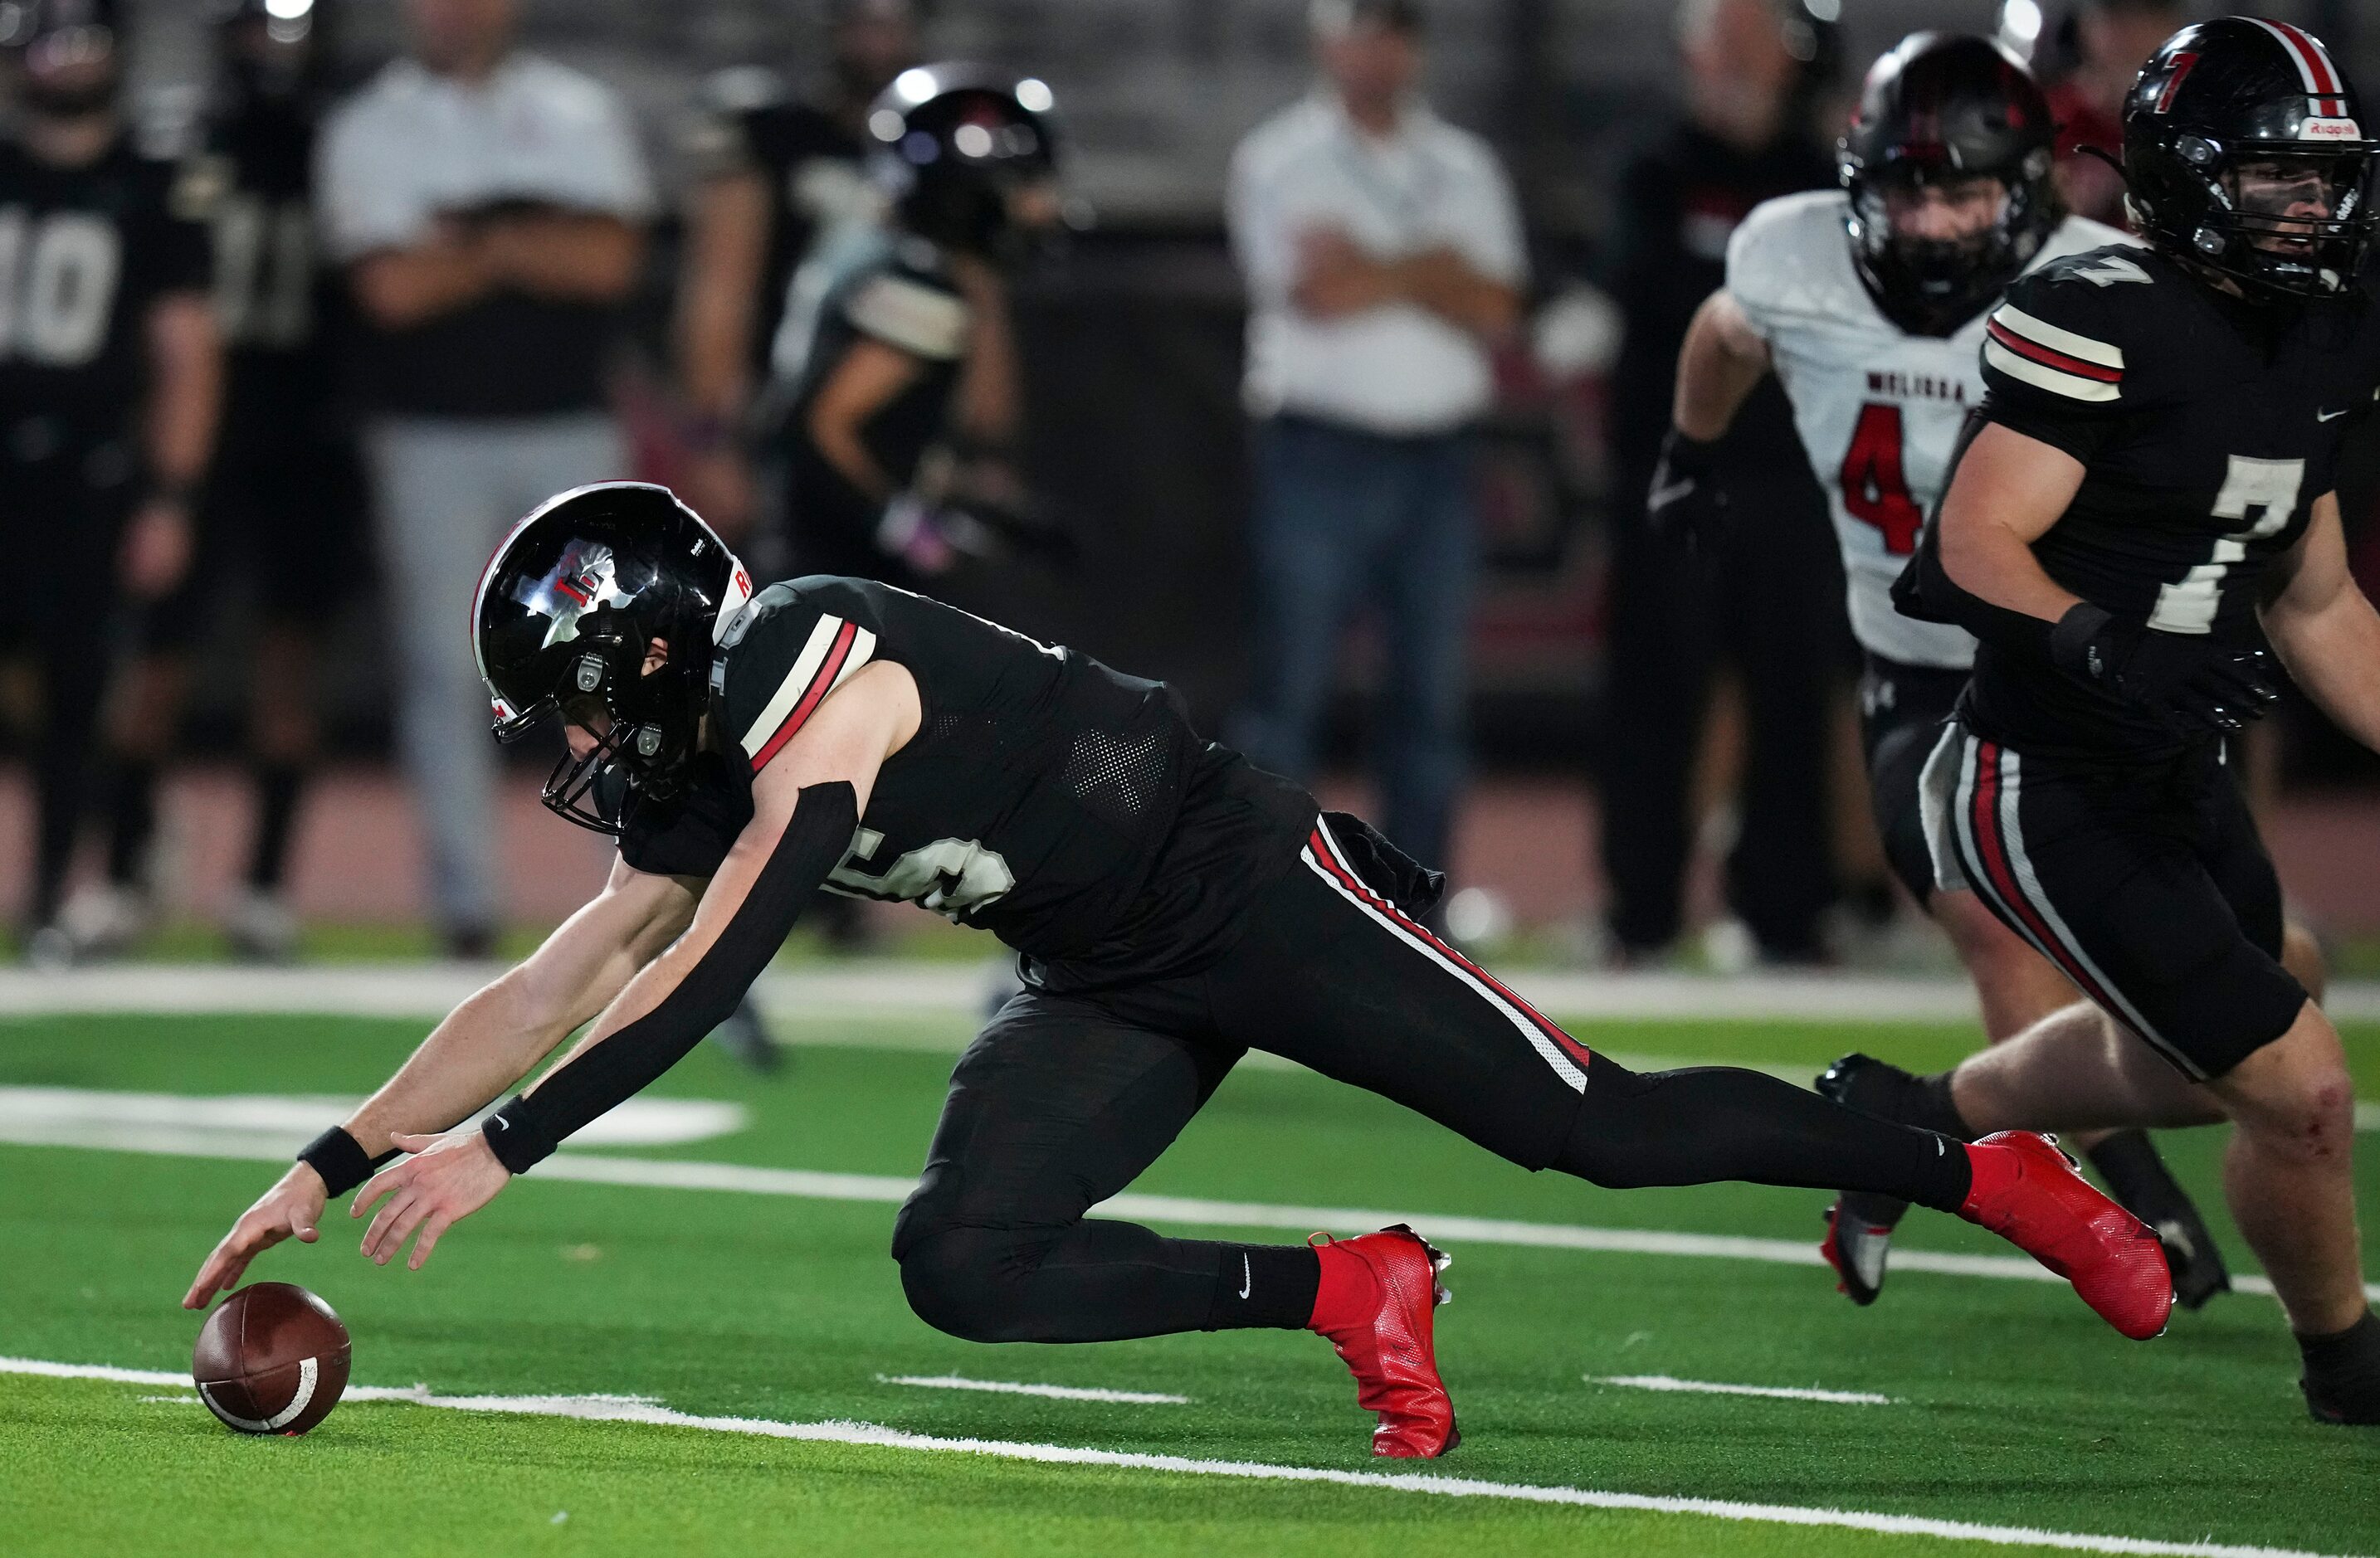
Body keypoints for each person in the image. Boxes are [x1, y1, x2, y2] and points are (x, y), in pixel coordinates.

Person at [184, 480, 2176, 1460]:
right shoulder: (698, 749)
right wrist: (338, 1155)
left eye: (580, 703)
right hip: (1097, 962)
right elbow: (547, 979)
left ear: (651, 653)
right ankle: (1342, 1286)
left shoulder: (799, 651)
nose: (583, 751)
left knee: (1595, 1130)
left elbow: (717, 958)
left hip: (1242, 883)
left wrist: (508, 1154)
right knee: (962, 1265)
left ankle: (1968, 1162)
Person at [1655, 34, 2227, 1308]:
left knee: (2225, 983)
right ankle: (2141, 1204)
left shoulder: (2109, 284)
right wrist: (1691, 448)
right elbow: (1723, 329)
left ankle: (1902, 1141)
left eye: (1962, 190)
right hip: (1923, 677)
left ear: (2026, 186)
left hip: (2086, 671)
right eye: (1906, 190)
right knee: (1990, 917)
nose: (1930, 220)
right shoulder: (1792, 252)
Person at [1885, 17, 2380, 1423]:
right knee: (2295, 1090)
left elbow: (2316, 595)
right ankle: (2345, 1359)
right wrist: (2100, 643)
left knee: (2224, 1021)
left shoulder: (2322, 332)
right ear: (2182, 177)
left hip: (2174, 757)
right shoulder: (2104, 308)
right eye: (2278, 175)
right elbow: (1969, 544)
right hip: (2038, 770)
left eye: (2326, 178)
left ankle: (1924, 1114)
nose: (2313, 207)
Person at [317, 0, 653, 957]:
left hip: (569, 426)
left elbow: (612, 260)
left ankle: (630, 895)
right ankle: (464, 907)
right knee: (442, 666)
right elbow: (391, 290)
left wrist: (461, 242)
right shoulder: (370, 124)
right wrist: (527, 237)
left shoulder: (578, 111)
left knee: (612, 662)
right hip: (429, 433)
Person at [59, 0, 363, 963]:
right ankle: (119, 870)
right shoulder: (179, 144)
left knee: (287, 666)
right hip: (204, 435)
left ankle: (265, 886)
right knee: (150, 667)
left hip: (305, 432)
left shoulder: (346, 142)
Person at [1223, 0, 1524, 880]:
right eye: (1360, 27)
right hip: (1319, 450)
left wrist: (1373, 267)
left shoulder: (1464, 163)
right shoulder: (1279, 158)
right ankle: (1259, 889)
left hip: (1439, 455)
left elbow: (1501, 307)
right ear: (1327, 38)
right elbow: (1312, 291)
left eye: (1392, 29)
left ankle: (1413, 903)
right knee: (1289, 692)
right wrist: (1436, 268)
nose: (1376, 49)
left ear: (1414, 46)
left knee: (1430, 700)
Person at [1600, 0, 1841, 965]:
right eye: (1722, 39)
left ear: (1789, 59)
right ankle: (1640, 912)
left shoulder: (1822, 179)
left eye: (1755, 39)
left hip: (1792, 475)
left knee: (1793, 691)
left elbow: (1837, 310)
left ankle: (1786, 913)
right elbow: (1639, 288)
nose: (1737, 60)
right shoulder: (1652, 168)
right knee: (1656, 692)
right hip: (1675, 473)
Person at [0, 0, 221, 962]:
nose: (63, 61)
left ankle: (51, 891)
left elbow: (186, 351)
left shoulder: (154, 180)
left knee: (76, 693)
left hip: (89, 468)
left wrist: (170, 494)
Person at [779, 65, 1065, 591]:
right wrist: (901, 524)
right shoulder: (918, 287)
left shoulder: (883, 258)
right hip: (839, 572)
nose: (1043, 207)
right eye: (1026, 185)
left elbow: (893, 433)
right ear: (970, 187)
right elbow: (822, 426)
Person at [674, 0, 919, 564]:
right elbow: (720, 288)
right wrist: (711, 440)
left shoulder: (935, 144)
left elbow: (978, 299)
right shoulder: (775, 132)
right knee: (790, 620)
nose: (877, 42)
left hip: (905, 437)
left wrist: (989, 447)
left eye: (892, 21)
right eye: (863, 20)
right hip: (785, 428)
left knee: (911, 631)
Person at [2042, 0, 2182, 229]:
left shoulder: (2193, 121)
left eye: (2144, 18)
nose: (2129, 34)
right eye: (2116, 17)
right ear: (2086, 26)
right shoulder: (2049, 116)